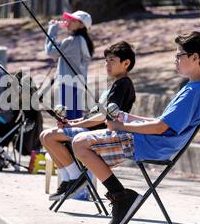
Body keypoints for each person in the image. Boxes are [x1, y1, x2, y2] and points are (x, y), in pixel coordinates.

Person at [72, 31, 200, 224]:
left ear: (195, 57)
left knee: (79, 143)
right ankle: (119, 195)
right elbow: (161, 122)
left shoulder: (194, 92)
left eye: (179, 55)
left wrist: (121, 126)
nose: (175, 60)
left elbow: (160, 128)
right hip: (151, 141)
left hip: (151, 145)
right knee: (81, 142)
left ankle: (121, 197)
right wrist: (126, 118)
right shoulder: (194, 89)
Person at [40, 40, 136, 201]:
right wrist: (72, 122)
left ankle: (76, 179)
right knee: (45, 136)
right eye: (106, 61)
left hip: (99, 135)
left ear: (126, 63)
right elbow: (93, 115)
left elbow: (104, 116)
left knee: (49, 136)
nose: (107, 64)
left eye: (112, 60)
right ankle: (68, 181)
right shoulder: (115, 85)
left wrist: (73, 124)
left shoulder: (123, 84)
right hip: (91, 130)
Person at [45, 10, 94, 119]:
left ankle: (70, 136)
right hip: (78, 84)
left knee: (68, 119)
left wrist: (53, 29)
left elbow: (50, 51)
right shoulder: (83, 40)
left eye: (73, 20)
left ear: (81, 25)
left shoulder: (73, 41)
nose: (68, 21)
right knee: (76, 118)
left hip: (68, 84)